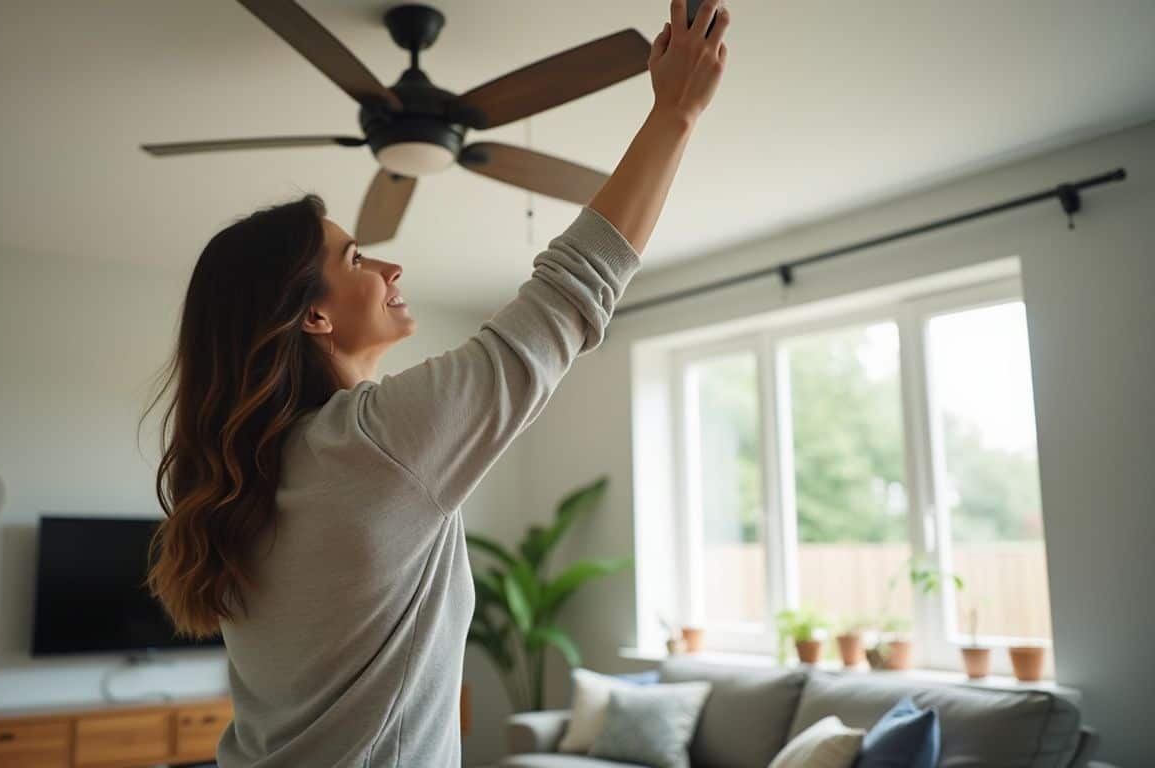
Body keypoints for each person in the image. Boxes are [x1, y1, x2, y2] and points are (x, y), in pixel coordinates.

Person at [142, 1, 730, 764]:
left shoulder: (252, 476)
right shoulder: (370, 445)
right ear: (312, 318)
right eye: (356, 259)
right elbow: (570, 291)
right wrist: (674, 114)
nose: (390, 266)